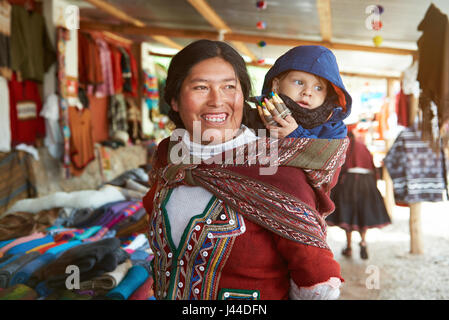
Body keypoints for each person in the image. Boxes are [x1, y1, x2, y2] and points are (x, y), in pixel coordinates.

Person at [142, 39, 349, 300]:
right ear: (174, 99)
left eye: (229, 87)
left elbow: (319, 286)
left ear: (243, 96)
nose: (217, 101)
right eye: (201, 87)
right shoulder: (168, 157)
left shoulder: (276, 172)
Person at [253, 45, 352, 139]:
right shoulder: (257, 116)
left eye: (318, 88)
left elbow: (328, 156)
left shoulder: (334, 128)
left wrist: (296, 135)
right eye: (299, 82)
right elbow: (253, 154)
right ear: (276, 85)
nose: (308, 92)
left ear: (327, 95)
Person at [326, 130, 391, 260]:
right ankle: (363, 241)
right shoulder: (363, 146)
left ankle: (349, 247)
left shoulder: (345, 146)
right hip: (366, 183)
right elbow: (373, 168)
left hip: (348, 182)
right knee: (363, 212)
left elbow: (339, 166)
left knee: (347, 213)